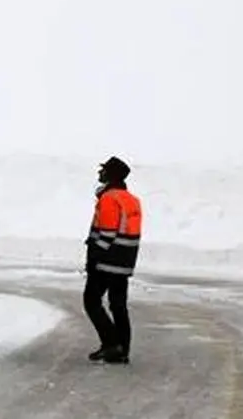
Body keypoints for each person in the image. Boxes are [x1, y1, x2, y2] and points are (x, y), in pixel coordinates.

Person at [83, 155, 143, 365]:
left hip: (106, 261)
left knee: (91, 301)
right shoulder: (131, 200)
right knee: (118, 306)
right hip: (124, 262)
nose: (100, 173)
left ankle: (111, 344)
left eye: (103, 170)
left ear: (111, 175)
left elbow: (106, 234)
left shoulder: (109, 198)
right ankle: (122, 350)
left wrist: (93, 259)